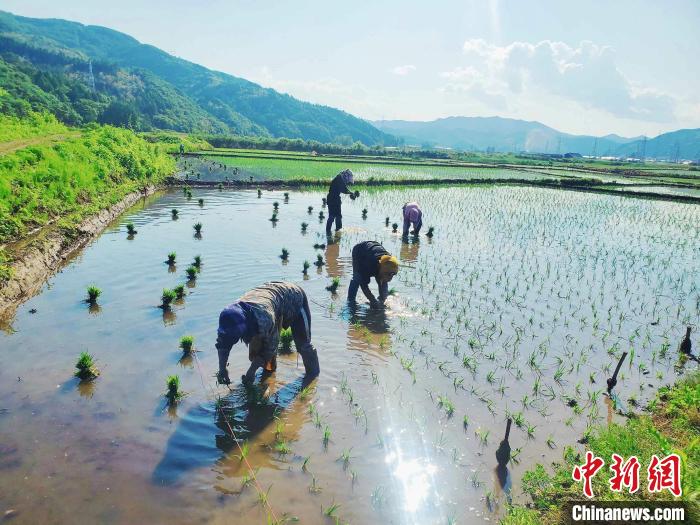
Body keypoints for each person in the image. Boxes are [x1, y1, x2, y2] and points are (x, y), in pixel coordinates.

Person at [215, 282, 319, 385]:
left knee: (303, 345)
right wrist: (222, 369)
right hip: (268, 303)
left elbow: (270, 347)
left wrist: (252, 371)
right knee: (256, 351)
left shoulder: (264, 318)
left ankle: (313, 377)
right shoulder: (228, 317)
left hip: (294, 297)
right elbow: (223, 345)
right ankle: (269, 374)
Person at [347, 241, 399, 307]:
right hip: (359, 252)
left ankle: (382, 299)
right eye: (387, 274)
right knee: (357, 278)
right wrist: (372, 300)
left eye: (392, 274)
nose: (390, 277)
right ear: (379, 266)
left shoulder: (390, 262)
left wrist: (383, 300)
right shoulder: (369, 266)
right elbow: (364, 285)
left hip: (373, 249)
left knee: (382, 279)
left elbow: (384, 279)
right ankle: (350, 301)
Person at [326, 169, 356, 235]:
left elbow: (344, 188)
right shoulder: (339, 179)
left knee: (338, 216)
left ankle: (338, 231)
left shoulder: (340, 178)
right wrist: (351, 193)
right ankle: (328, 232)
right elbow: (343, 189)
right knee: (332, 216)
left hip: (336, 199)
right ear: (346, 176)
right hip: (332, 199)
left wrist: (350, 192)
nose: (348, 181)